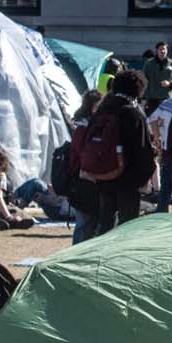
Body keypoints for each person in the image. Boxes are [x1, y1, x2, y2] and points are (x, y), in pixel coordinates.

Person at [82, 71, 156, 238]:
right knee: (127, 227)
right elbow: (142, 150)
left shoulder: (101, 111)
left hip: (103, 176)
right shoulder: (133, 114)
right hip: (128, 180)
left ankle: (101, 251)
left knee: (105, 223)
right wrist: (145, 178)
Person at [66, 90, 103, 243]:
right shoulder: (84, 127)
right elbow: (80, 152)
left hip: (83, 178)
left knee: (86, 222)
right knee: (85, 222)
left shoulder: (82, 125)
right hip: (83, 178)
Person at [141, 41, 172, 108]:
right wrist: (143, 98)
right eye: (160, 49)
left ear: (167, 50)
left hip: (167, 98)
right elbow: (143, 80)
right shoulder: (149, 64)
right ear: (157, 51)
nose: (163, 51)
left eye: (164, 49)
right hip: (152, 99)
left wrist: (170, 83)